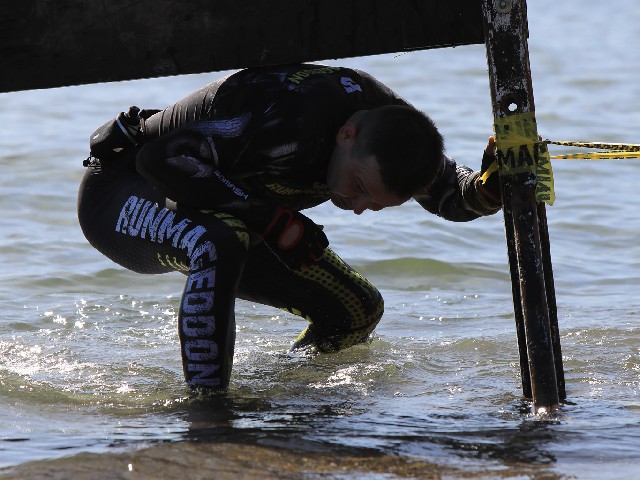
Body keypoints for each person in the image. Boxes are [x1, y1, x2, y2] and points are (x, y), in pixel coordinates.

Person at [78, 63, 501, 391]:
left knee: (356, 311)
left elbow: (452, 191)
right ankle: (208, 415)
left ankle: (284, 392)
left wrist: (488, 192)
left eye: (374, 205)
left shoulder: (396, 133)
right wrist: (270, 218)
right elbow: (158, 160)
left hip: (234, 216)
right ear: (347, 134)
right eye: (358, 187)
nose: (355, 207)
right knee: (221, 240)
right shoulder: (287, 117)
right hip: (121, 195)